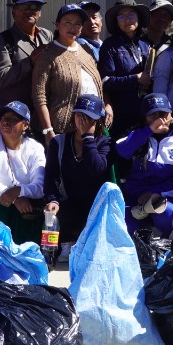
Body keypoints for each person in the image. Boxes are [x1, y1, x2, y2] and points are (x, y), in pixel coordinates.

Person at [115, 94, 173, 237]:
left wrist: (155, 192)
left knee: (167, 215)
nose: (159, 120)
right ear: (144, 117)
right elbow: (121, 149)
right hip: (134, 198)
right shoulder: (138, 134)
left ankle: (167, 251)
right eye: (153, 115)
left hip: (164, 197)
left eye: (163, 114)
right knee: (123, 220)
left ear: (171, 115)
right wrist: (149, 130)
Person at [33, 3, 112, 142]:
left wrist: (107, 104)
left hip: (95, 126)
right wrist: (48, 130)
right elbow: (39, 95)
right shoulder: (48, 54)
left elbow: (97, 83)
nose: (72, 27)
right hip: (64, 130)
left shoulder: (87, 51)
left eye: (77, 24)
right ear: (57, 25)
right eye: (67, 22)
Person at [42, 93, 112, 249]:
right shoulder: (58, 143)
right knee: (54, 214)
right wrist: (52, 200)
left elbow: (97, 169)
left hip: (95, 206)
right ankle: (61, 247)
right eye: (79, 115)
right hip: (69, 203)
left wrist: (88, 136)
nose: (82, 121)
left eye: (88, 117)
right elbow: (51, 176)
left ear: (98, 120)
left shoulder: (104, 142)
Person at [0, 101, 47, 244]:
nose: (6, 121)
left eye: (13, 119)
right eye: (3, 118)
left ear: (25, 125)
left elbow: (40, 186)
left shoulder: (35, 148)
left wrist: (20, 190)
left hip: (25, 202)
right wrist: (14, 198)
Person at [0, 0, 54, 112]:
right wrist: (29, 62)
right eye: (23, 7)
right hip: (15, 117)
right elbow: (0, 79)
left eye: (34, 6)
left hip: (43, 114)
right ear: (14, 12)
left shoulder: (47, 35)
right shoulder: (0, 41)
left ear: (40, 12)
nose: (29, 11)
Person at [99, 0, 152, 135]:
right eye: (121, 16)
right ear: (116, 22)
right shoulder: (109, 46)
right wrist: (136, 79)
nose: (127, 19)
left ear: (139, 18)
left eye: (132, 15)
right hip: (120, 115)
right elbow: (105, 82)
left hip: (145, 114)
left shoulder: (146, 45)